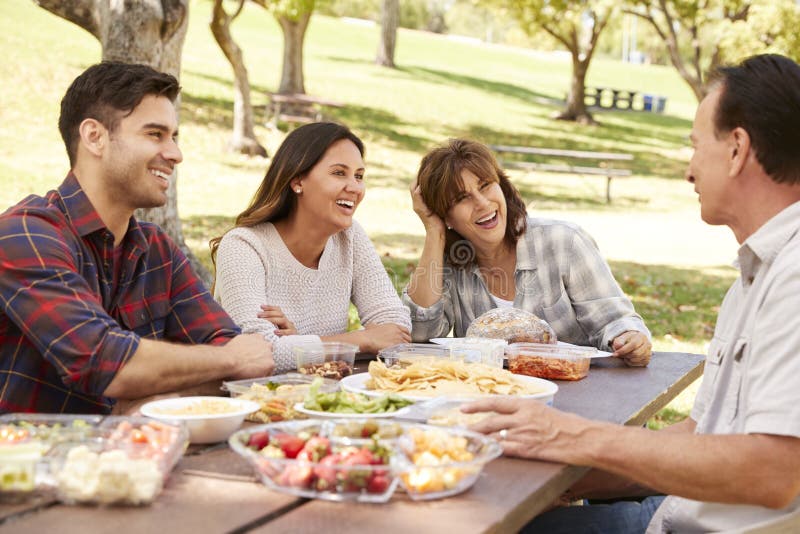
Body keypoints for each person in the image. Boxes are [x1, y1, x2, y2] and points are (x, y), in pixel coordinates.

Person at [463, 54, 800, 533]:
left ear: (737, 149)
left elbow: (773, 473)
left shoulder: (793, 278)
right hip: (671, 512)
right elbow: (698, 436)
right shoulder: (756, 276)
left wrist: (572, 436)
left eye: (695, 146)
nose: (688, 171)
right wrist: (564, 481)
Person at [0, 61, 274, 415]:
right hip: (27, 463)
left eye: (173, 137)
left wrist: (152, 401)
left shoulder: (156, 248)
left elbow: (238, 355)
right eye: (155, 134)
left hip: (133, 457)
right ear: (95, 137)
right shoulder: (25, 235)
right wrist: (225, 362)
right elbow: (104, 362)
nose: (176, 154)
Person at [404, 138, 651, 365]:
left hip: (573, 391)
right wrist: (434, 231)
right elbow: (419, 334)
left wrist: (629, 337)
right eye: (461, 198)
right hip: (490, 396)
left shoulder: (564, 241)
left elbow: (614, 320)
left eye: (486, 185)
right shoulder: (446, 263)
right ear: (445, 215)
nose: (482, 203)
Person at [211, 122, 411, 374]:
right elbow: (259, 355)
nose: (355, 187)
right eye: (339, 173)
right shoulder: (244, 247)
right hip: (252, 401)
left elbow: (395, 328)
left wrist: (298, 344)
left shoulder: (349, 237)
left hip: (325, 395)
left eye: (359, 176)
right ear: (297, 181)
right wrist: (362, 339)